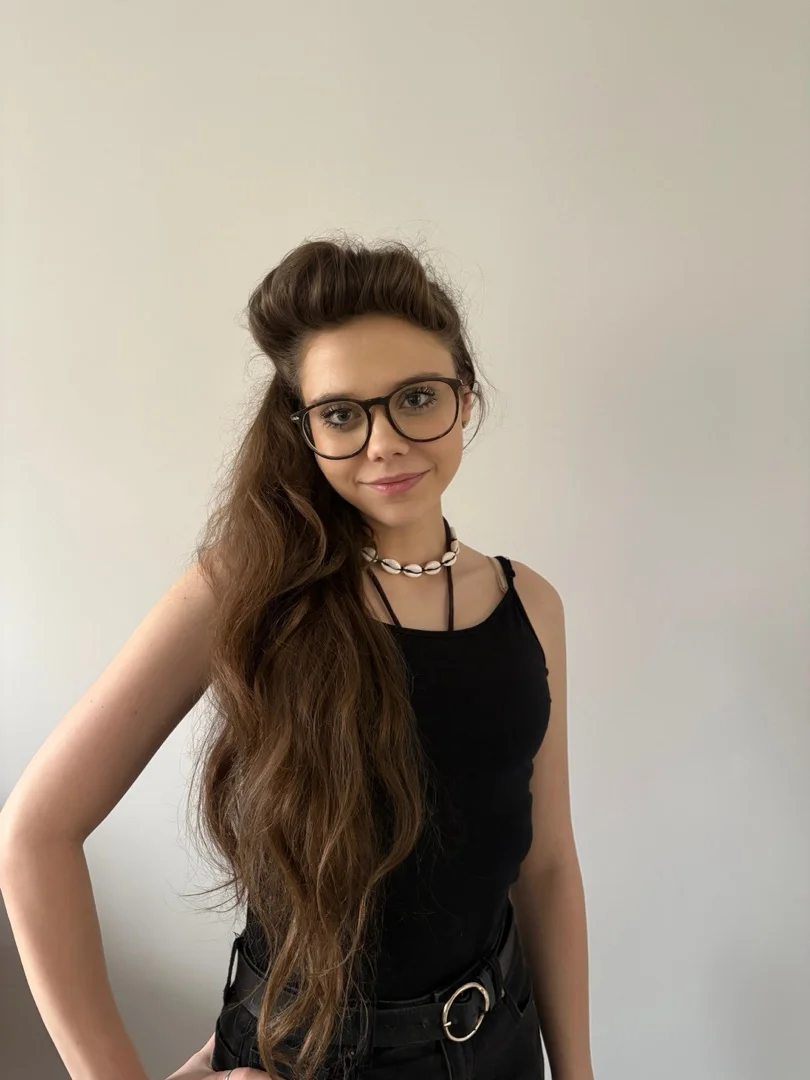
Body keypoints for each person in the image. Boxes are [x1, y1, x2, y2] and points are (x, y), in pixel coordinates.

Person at [0, 238, 594, 1080]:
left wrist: (577, 1070)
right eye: (343, 414)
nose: (384, 443)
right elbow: (35, 833)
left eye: (416, 399)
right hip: (308, 1058)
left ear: (466, 399)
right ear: (306, 429)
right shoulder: (246, 588)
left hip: (497, 1043)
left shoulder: (530, 603)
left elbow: (548, 863)